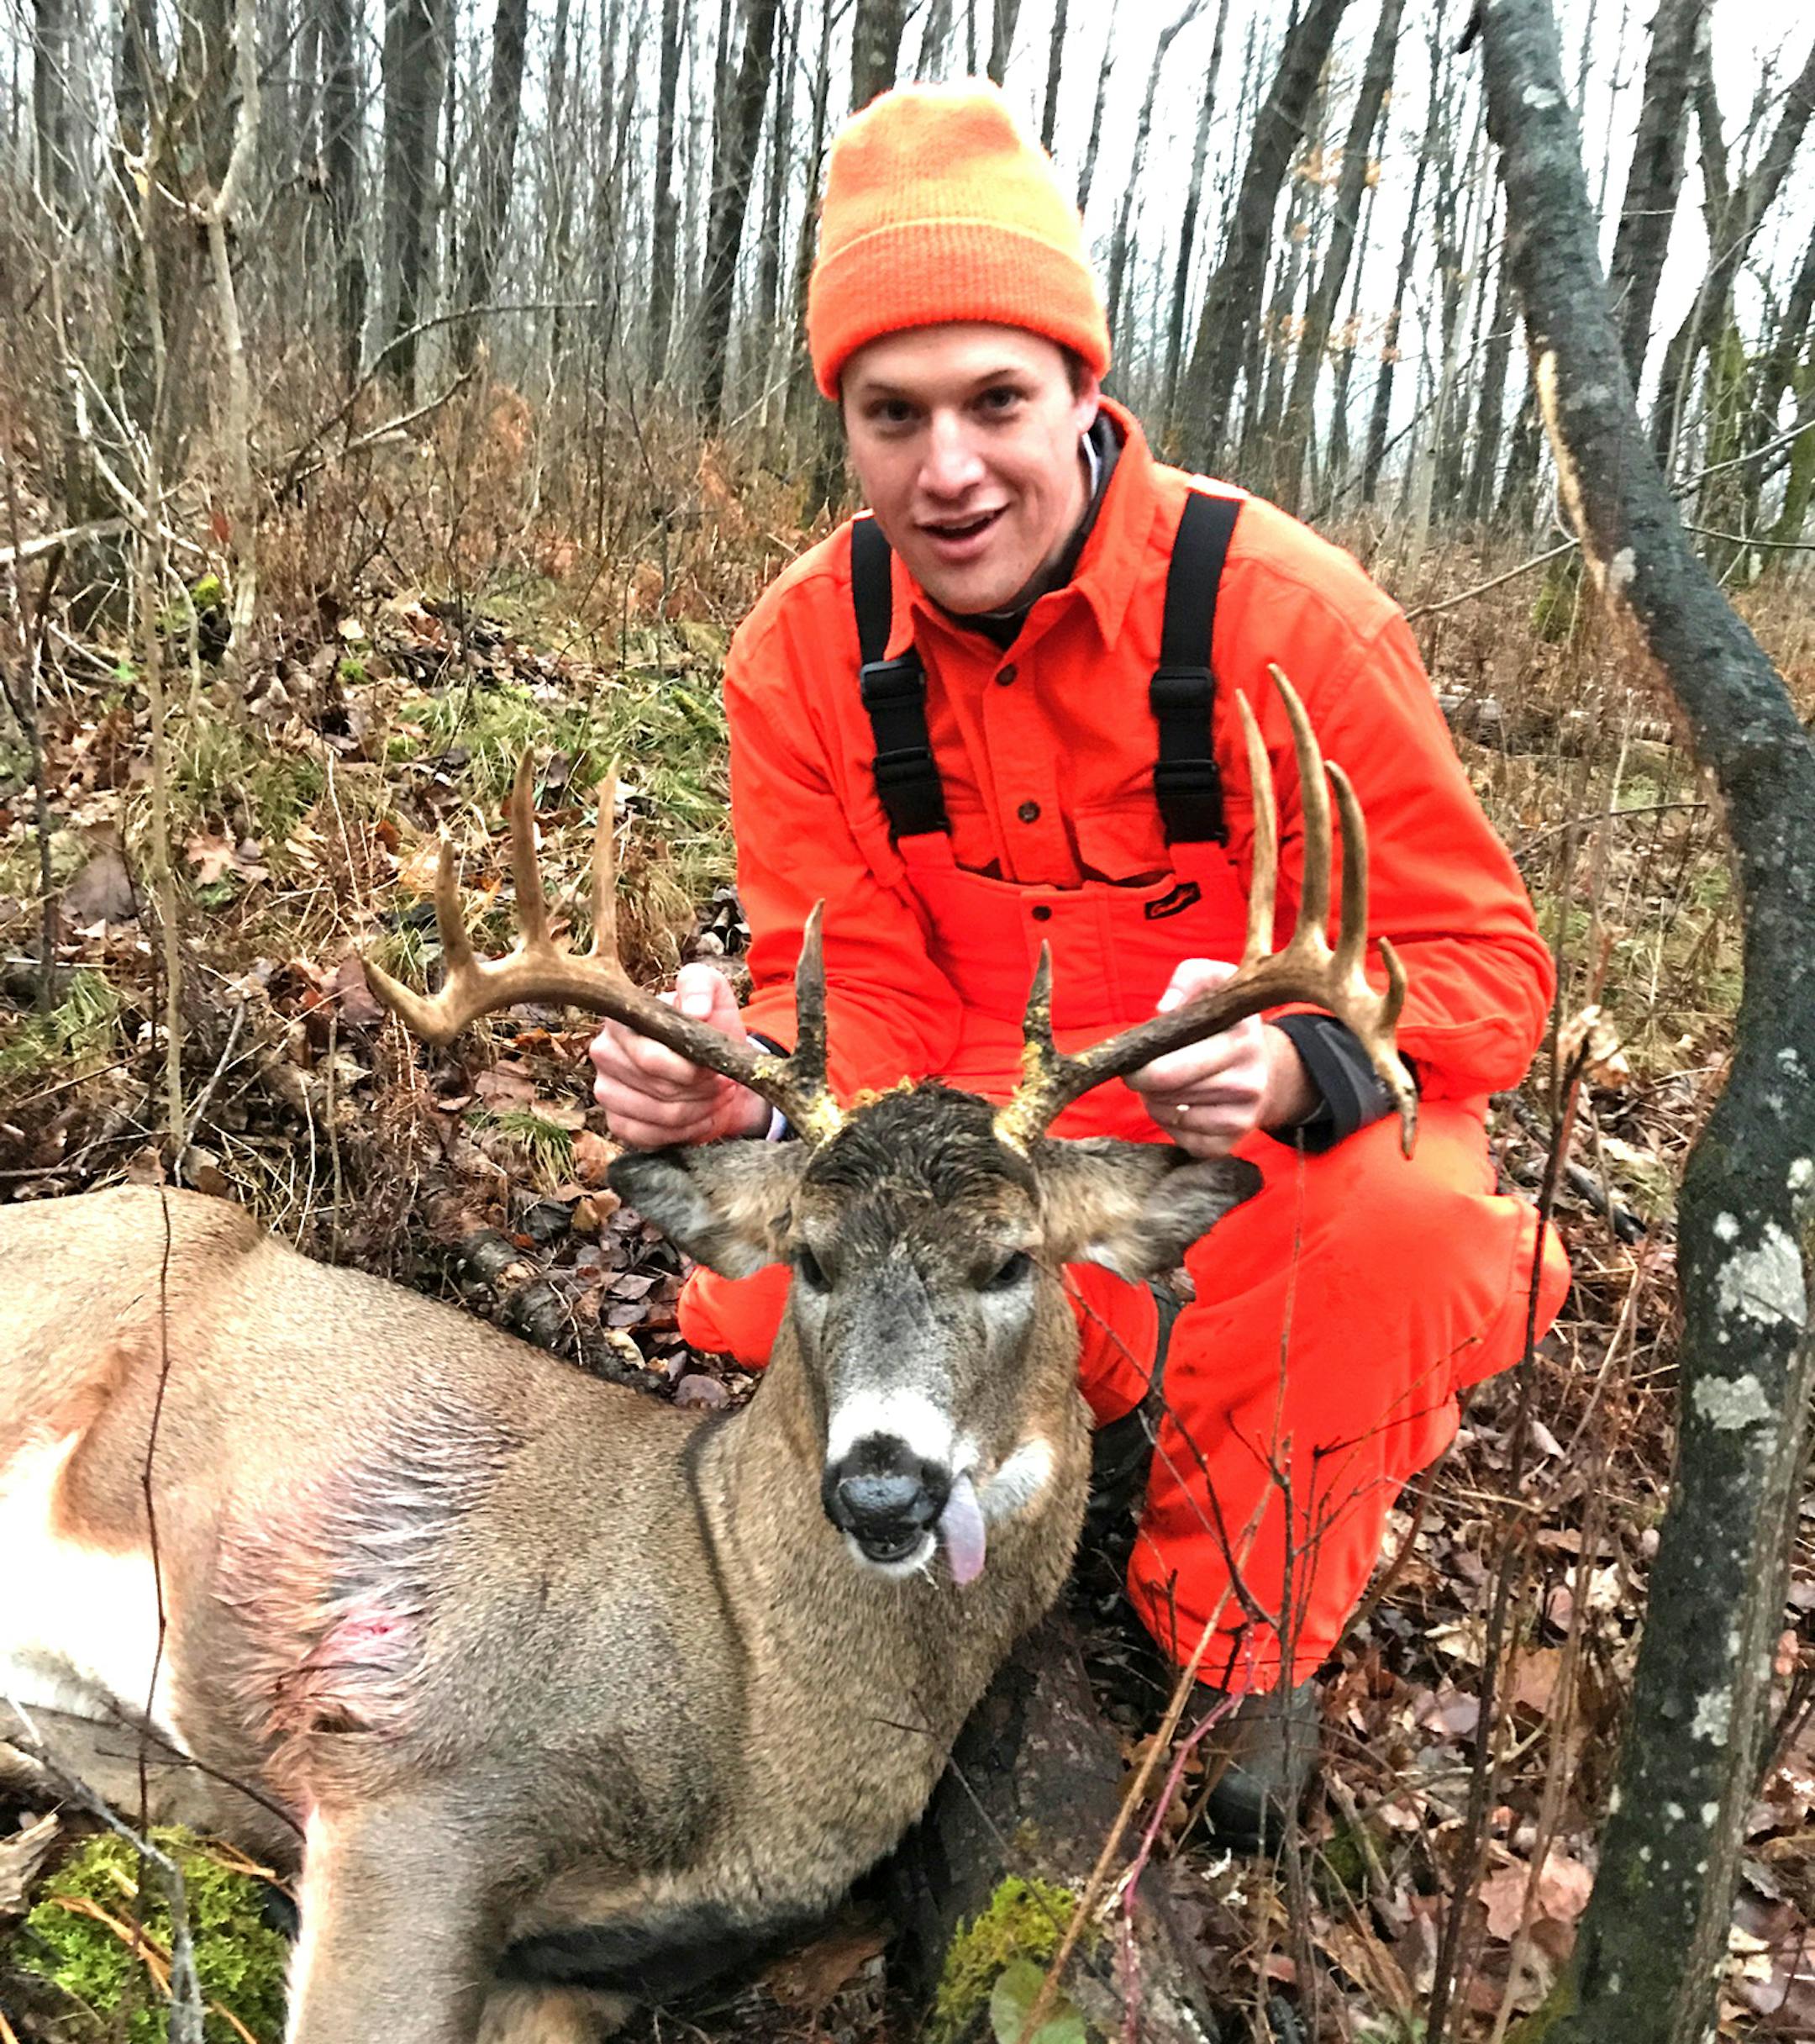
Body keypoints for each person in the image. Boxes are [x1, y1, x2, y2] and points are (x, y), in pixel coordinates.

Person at [591, 81, 1570, 1841]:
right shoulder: (804, 656)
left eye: (995, 401)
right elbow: (849, 976)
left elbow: (1493, 967)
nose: (947, 468)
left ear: (1084, 394)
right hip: (965, 1149)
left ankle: (1237, 1639)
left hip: (1219, 1162)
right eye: (893, 415)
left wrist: (1302, 1061)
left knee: (1412, 1236)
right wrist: (733, 1078)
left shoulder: (1292, 622)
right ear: (849, 428)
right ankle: (1003, 1461)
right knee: (752, 1277)